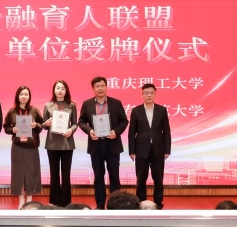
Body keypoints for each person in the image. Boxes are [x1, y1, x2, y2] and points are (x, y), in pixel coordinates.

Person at [78, 77, 129, 210]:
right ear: (93, 88)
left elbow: (124, 121)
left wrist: (116, 132)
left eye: (102, 85)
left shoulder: (116, 103)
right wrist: (90, 131)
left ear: (106, 87)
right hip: (96, 145)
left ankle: (115, 205)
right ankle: (100, 205)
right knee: (98, 176)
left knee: (114, 176)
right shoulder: (87, 104)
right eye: (97, 86)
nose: (100, 88)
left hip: (112, 144)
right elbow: (81, 122)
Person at [129, 83, 171, 209]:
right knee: (141, 179)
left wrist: (167, 149)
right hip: (141, 149)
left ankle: (158, 203)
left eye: (151, 93)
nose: (149, 95)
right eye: (146, 93)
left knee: (158, 179)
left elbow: (166, 131)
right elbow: (132, 132)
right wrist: (132, 150)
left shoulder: (161, 110)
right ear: (142, 94)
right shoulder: (136, 111)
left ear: (155, 94)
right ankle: (141, 203)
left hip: (158, 149)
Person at [4, 86, 43, 208]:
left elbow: (41, 125)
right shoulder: (12, 111)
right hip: (18, 147)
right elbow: (6, 127)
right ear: (17, 96)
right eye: (21, 94)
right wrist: (13, 130)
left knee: (31, 173)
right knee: (19, 174)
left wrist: (35, 125)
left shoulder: (34, 110)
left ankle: (30, 201)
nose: (24, 97)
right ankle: (21, 202)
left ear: (29, 96)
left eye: (26, 94)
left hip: (32, 147)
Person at [43, 80, 78, 207]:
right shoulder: (48, 105)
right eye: (58, 88)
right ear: (54, 90)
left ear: (66, 90)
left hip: (67, 143)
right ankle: (54, 201)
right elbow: (43, 125)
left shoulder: (72, 105)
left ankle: (66, 202)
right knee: (54, 173)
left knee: (66, 174)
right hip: (52, 143)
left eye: (62, 88)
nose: (60, 90)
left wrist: (71, 130)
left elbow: (75, 123)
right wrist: (46, 124)